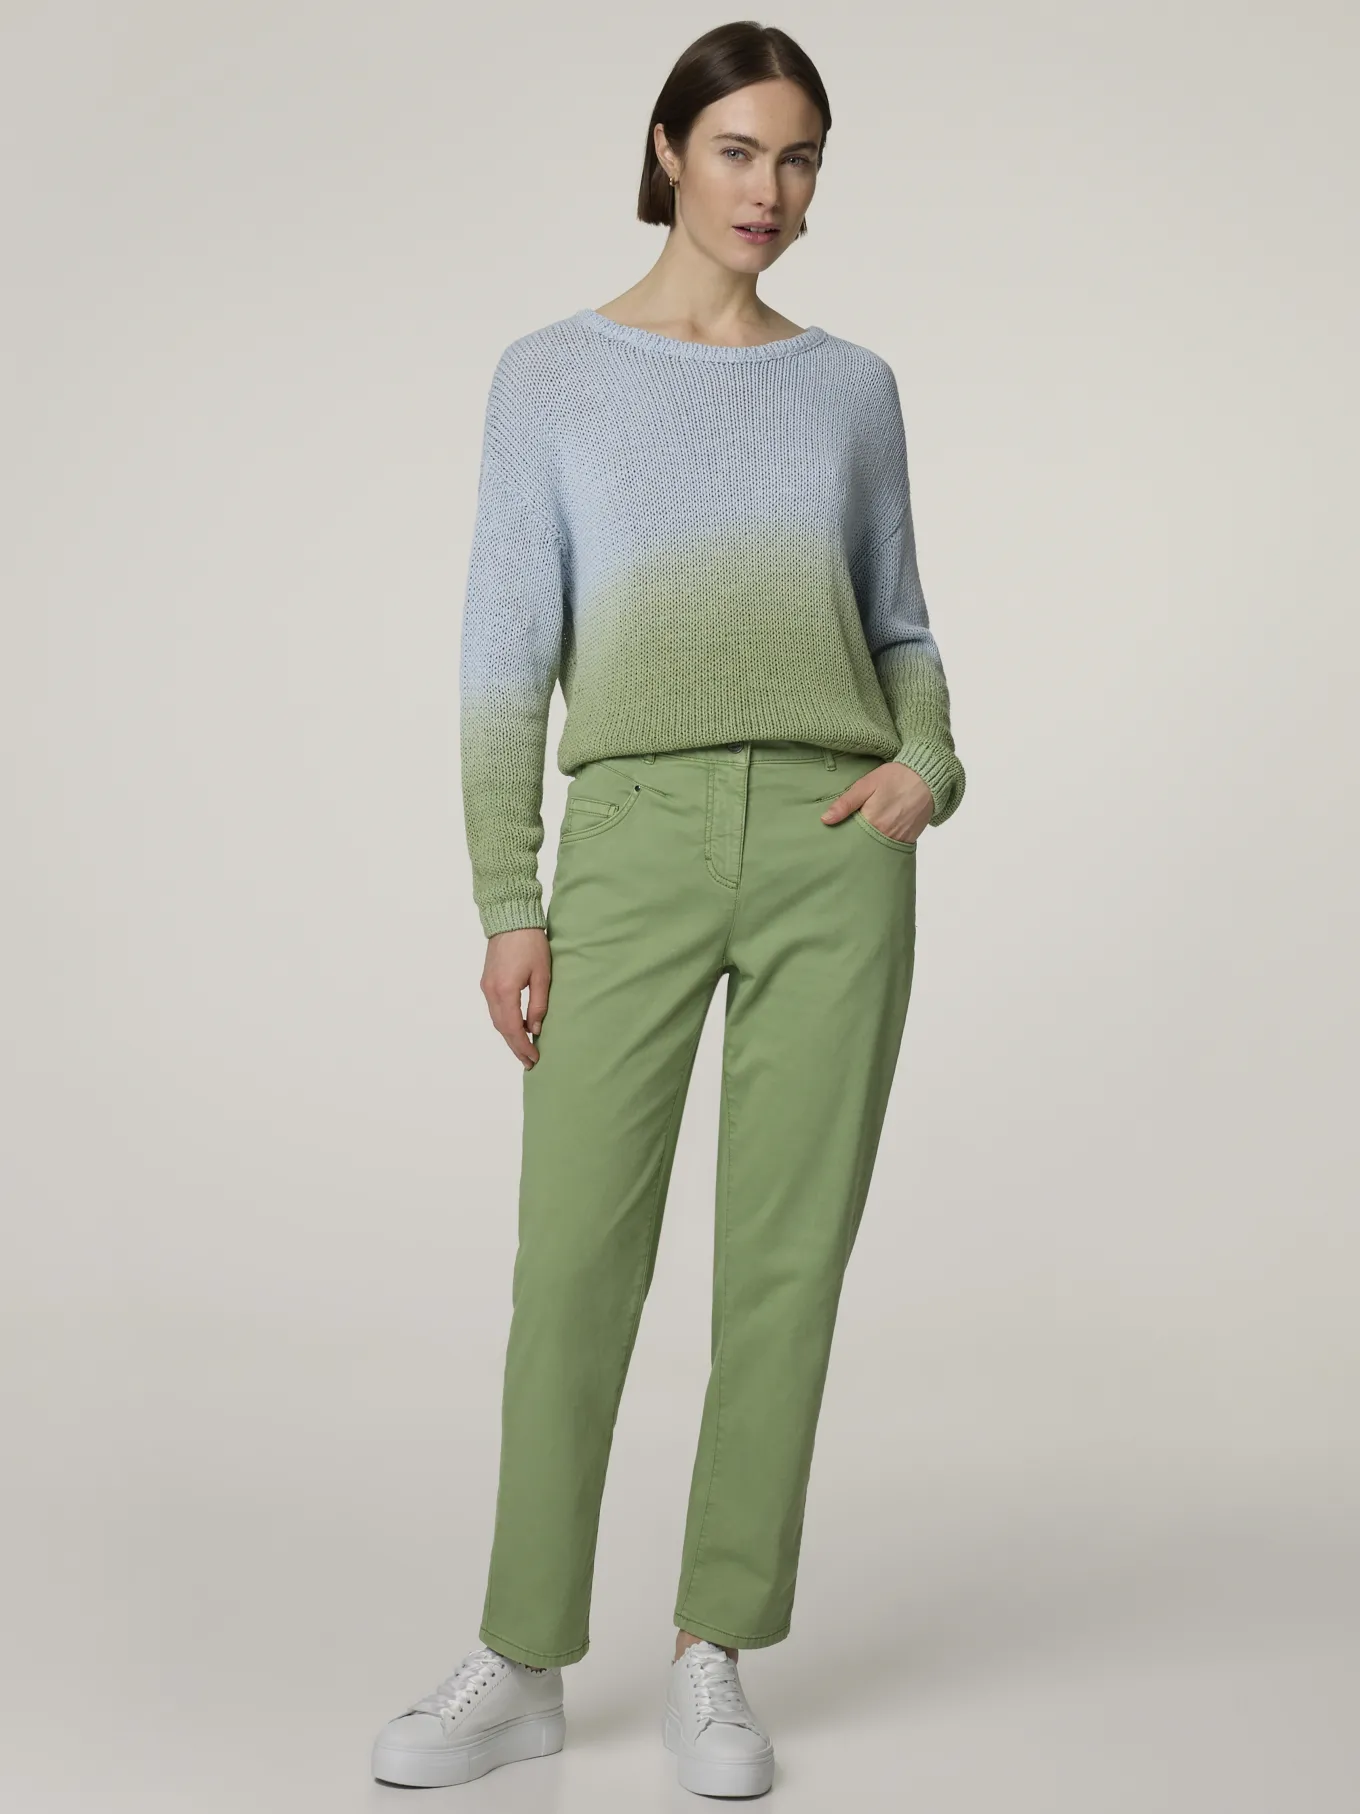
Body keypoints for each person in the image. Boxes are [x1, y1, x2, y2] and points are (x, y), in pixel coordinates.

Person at [371, 19, 966, 1799]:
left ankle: (716, 1648)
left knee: (783, 1265)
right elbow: (503, 651)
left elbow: (901, 624)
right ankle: (522, 1657)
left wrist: (930, 762)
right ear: (668, 151)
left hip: (832, 843)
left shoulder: (851, 388)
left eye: (800, 159)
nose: (770, 191)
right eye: (738, 152)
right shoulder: (551, 376)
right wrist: (510, 893)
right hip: (627, 836)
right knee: (572, 1260)